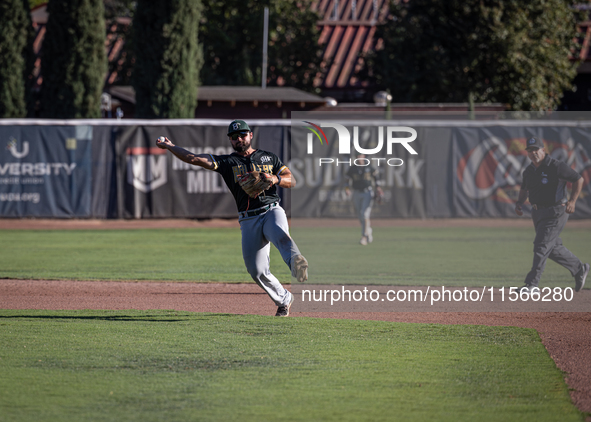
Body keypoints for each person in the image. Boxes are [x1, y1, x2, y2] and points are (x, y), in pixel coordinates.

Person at [156, 119, 308, 317]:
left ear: (250, 135)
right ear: (230, 140)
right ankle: (284, 299)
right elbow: (194, 159)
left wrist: (275, 178)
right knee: (256, 270)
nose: (239, 139)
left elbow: (292, 180)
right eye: (234, 137)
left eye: (242, 135)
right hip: (248, 219)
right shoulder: (228, 163)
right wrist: (170, 146)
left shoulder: (268, 158)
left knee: (280, 234)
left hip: (271, 209)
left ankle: (296, 262)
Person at [514, 137, 589, 292]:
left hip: (556, 211)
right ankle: (579, 268)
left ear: (543, 150)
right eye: (530, 150)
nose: (533, 153)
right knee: (552, 247)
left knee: (541, 246)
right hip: (537, 212)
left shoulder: (556, 166)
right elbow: (524, 189)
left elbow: (578, 179)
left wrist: (573, 201)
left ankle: (532, 284)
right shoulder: (528, 171)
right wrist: (519, 203)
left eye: (536, 149)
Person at [345, 154, 383, 245]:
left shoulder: (369, 167)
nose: (359, 157)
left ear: (364, 157)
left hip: (367, 192)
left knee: (364, 214)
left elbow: (376, 178)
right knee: (360, 215)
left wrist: (378, 187)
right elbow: (347, 180)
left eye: (361, 156)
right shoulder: (353, 168)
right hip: (356, 192)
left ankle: (364, 236)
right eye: (358, 156)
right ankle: (368, 231)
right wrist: (347, 189)